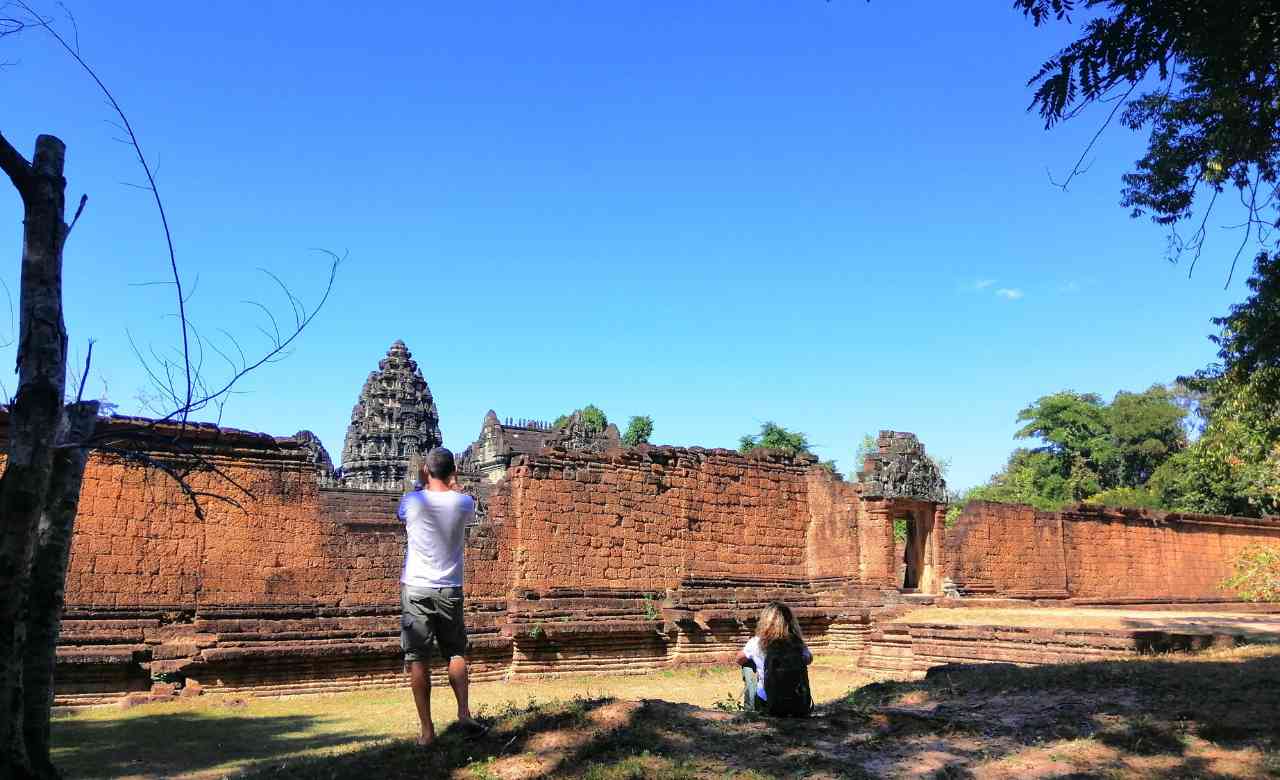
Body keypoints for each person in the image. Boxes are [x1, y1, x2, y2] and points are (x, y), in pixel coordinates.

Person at [398, 446, 487, 746]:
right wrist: (454, 485)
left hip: (417, 588)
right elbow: (464, 498)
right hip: (450, 587)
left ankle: (427, 731)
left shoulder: (412, 501)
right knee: (456, 652)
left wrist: (421, 483)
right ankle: (463, 714)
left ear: (425, 470)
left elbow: (402, 515)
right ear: (454, 472)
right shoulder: (464, 503)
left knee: (418, 659)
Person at [735, 601, 814, 717]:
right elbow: (809, 659)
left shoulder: (756, 643)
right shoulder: (797, 643)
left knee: (747, 665)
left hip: (769, 704)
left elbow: (738, 659)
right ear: (790, 622)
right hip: (798, 703)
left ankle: (750, 708)